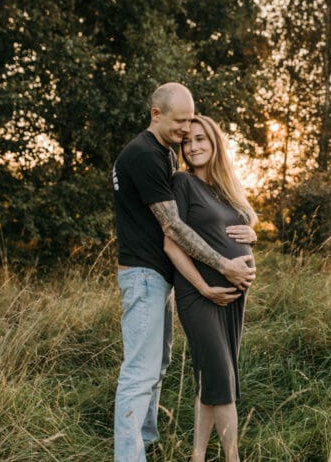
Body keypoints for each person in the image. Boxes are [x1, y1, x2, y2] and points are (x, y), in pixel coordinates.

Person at [112, 83, 256, 462]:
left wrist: (251, 231)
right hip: (147, 275)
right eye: (181, 124)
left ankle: (153, 443)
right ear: (156, 114)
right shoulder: (147, 156)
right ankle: (130, 456)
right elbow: (173, 231)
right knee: (142, 372)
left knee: (158, 366)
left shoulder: (164, 157)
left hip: (160, 279)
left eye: (193, 125)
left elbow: (225, 218)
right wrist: (222, 267)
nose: (186, 135)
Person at [164, 115, 257, 462]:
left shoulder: (224, 190)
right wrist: (204, 287)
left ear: (214, 142)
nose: (193, 146)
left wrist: (253, 234)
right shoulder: (182, 183)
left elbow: (242, 225)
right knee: (222, 378)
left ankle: (198, 456)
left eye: (200, 139)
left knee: (213, 378)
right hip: (200, 295)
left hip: (232, 298)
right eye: (187, 141)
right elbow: (172, 244)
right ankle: (233, 458)